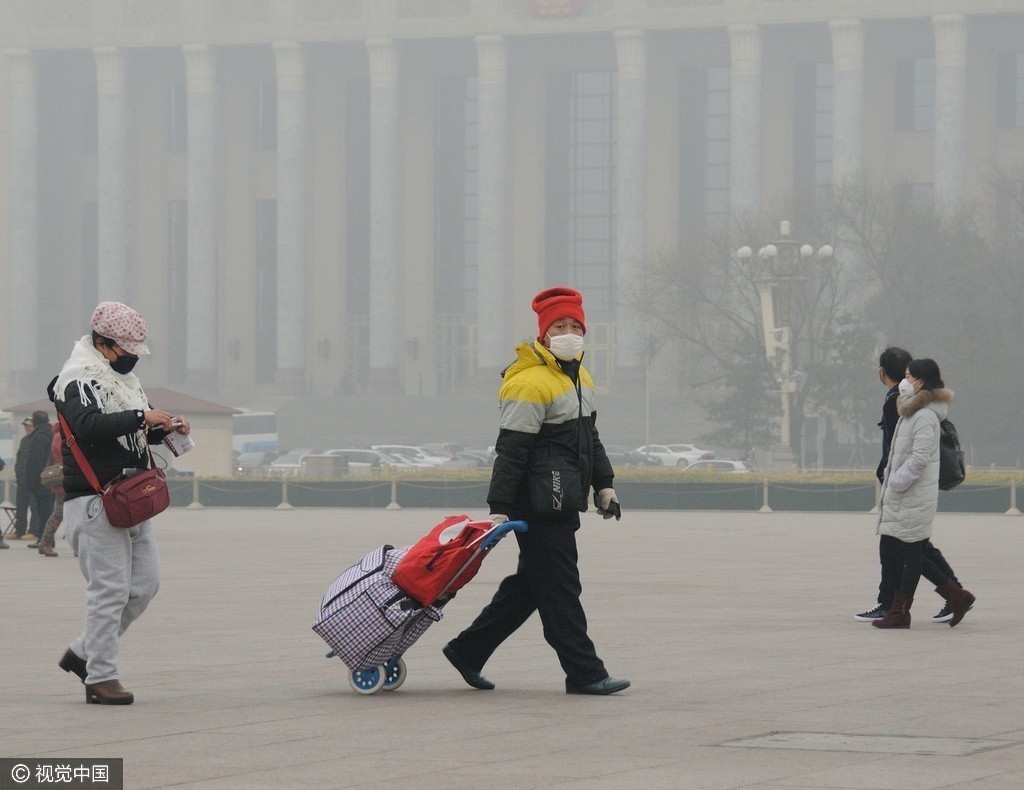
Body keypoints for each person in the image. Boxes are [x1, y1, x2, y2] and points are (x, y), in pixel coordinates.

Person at [442, 286, 629, 695]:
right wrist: (500, 507)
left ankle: (467, 651)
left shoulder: (579, 376)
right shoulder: (528, 382)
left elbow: (589, 440)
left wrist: (605, 485)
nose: (567, 332)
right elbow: (511, 451)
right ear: (543, 334)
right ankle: (586, 673)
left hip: (561, 498)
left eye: (574, 325)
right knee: (560, 587)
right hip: (538, 503)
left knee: (530, 587)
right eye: (559, 326)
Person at [48, 301, 191, 705]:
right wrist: (142, 418)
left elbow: (132, 434)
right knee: (109, 591)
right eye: (125, 350)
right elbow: (90, 428)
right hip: (95, 500)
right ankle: (101, 677)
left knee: (145, 585)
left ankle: (83, 652)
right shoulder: (76, 380)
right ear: (102, 343)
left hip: (132, 494)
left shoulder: (124, 383)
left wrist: (164, 427)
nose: (130, 358)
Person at [855, 348, 967, 623]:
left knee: (911, 551)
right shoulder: (911, 405)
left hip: (908, 490)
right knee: (914, 551)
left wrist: (894, 479)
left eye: (910, 376)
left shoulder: (918, 411)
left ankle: (899, 606)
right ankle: (914, 605)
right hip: (905, 489)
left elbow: (915, 456)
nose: (906, 380)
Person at [14, 411, 55, 543]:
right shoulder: (47, 435)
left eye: (29, 425)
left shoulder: (39, 437)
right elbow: (20, 459)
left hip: (38, 480)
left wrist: (31, 481)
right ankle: (38, 537)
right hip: (43, 479)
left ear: (35, 423)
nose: (27, 428)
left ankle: (40, 536)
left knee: (40, 510)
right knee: (38, 509)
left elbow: (35, 462)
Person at [37, 420, 66, 557]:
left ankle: (44, 543)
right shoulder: (61, 435)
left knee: (60, 513)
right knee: (58, 514)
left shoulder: (59, 434)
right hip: (65, 479)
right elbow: (63, 455)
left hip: (67, 479)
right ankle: (45, 543)